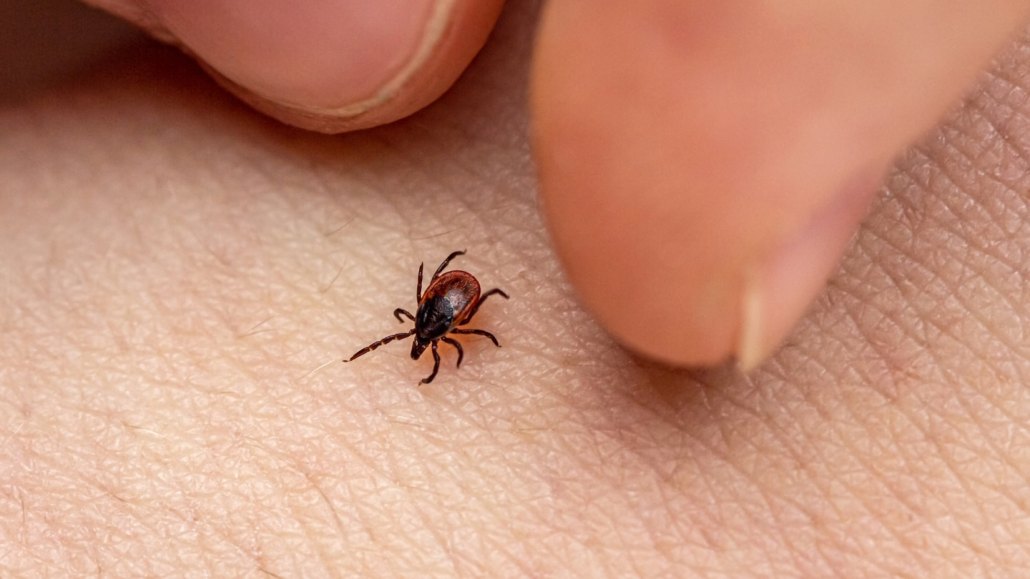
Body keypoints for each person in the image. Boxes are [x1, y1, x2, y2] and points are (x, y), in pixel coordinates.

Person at [2, 0, 1027, 575]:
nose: (426, 333)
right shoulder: (452, 310)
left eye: (429, 333)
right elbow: (460, 288)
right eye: (426, 332)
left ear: (434, 323)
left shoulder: (443, 313)